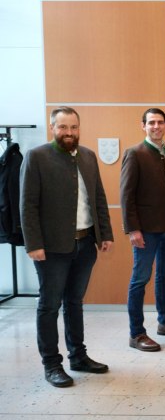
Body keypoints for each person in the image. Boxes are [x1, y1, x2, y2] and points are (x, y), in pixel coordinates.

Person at [20, 106, 114, 387]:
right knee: (50, 305)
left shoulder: (88, 156)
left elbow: (98, 197)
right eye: (63, 127)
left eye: (73, 127)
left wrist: (105, 233)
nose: (69, 133)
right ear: (52, 128)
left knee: (75, 302)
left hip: (85, 243)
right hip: (51, 249)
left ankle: (78, 356)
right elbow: (28, 205)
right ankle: (51, 364)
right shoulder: (36, 157)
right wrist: (33, 244)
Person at [121, 108, 165, 352]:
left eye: (160, 122)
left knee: (164, 276)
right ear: (143, 126)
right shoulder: (134, 153)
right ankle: (136, 333)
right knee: (140, 279)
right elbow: (126, 195)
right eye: (151, 122)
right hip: (145, 231)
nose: (156, 126)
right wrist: (132, 229)